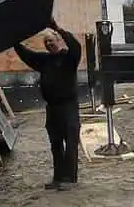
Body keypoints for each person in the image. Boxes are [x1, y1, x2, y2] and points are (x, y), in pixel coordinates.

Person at [13, 17, 83, 190]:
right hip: (52, 108)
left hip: (68, 106)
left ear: (58, 40)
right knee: (56, 143)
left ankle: (70, 179)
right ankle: (58, 177)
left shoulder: (69, 58)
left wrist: (58, 28)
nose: (49, 44)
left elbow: (76, 45)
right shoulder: (44, 61)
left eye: (51, 40)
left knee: (70, 142)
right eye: (46, 42)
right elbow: (26, 55)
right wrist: (13, 41)